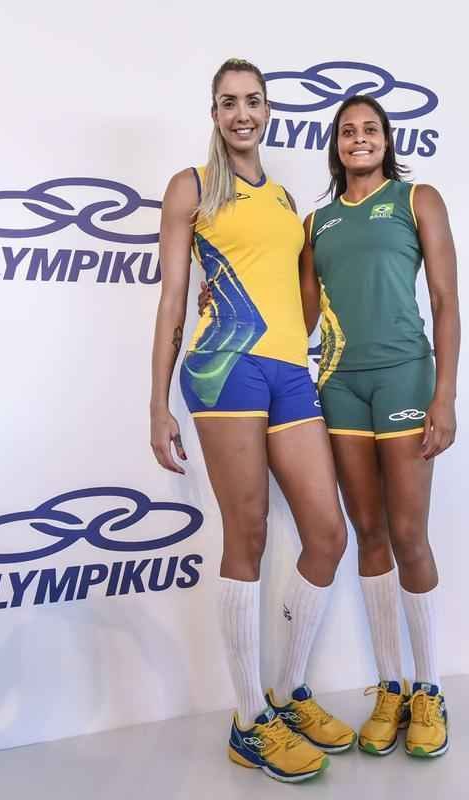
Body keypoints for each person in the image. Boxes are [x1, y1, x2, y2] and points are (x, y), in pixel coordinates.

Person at [200, 93, 459, 760]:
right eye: (347, 131)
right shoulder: (314, 221)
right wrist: (220, 296)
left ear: (385, 139)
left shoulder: (416, 199)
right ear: (335, 145)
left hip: (403, 377)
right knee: (367, 531)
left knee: (408, 532)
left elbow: (443, 299)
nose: (358, 139)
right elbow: (297, 310)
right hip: (337, 387)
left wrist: (445, 394)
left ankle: (429, 686)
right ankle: (389, 686)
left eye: (369, 129)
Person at [150, 58, 356, 784]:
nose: (242, 113)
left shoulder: (283, 199)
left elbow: (296, 295)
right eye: (228, 102)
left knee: (326, 534)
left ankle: (286, 692)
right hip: (222, 368)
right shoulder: (192, 187)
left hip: (286, 371)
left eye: (253, 101)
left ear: (267, 111)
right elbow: (174, 297)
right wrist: (155, 402)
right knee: (248, 532)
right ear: (213, 113)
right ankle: (247, 723)